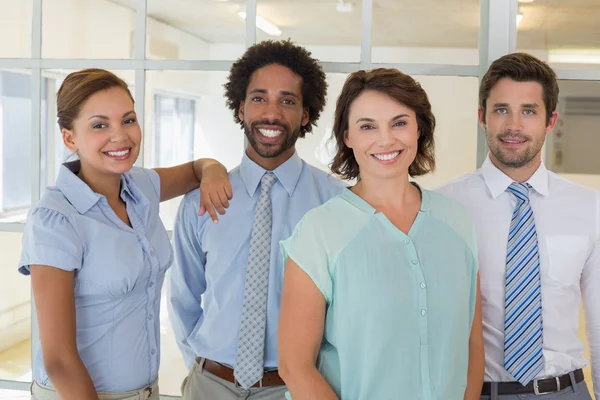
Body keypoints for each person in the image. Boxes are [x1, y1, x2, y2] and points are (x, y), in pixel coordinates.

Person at [18, 68, 231, 400]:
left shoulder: (141, 186)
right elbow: (58, 359)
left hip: (146, 392)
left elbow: (196, 169)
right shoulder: (55, 219)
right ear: (70, 138)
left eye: (128, 120)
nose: (120, 136)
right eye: (100, 125)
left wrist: (214, 170)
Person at [277, 68, 485, 400]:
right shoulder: (319, 232)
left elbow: (472, 345)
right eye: (367, 126)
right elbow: (294, 366)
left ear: (419, 128)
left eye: (399, 123)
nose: (386, 140)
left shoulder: (457, 221)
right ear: (348, 137)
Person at [167, 40, 347, 400]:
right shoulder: (200, 201)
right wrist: (200, 369)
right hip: (209, 384)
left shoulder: (335, 202)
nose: (271, 113)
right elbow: (183, 297)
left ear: (306, 114)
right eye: (259, 98)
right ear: (240, 108)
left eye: (287, 100)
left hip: (291, 389)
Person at [437, 53, 599, 400]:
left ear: (550, 120)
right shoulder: (442, 207)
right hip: (476, 393)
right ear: (482, 117)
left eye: (528, 111)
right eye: (501, 110)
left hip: (566, 391)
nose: (513, 126)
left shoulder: (590, 208)